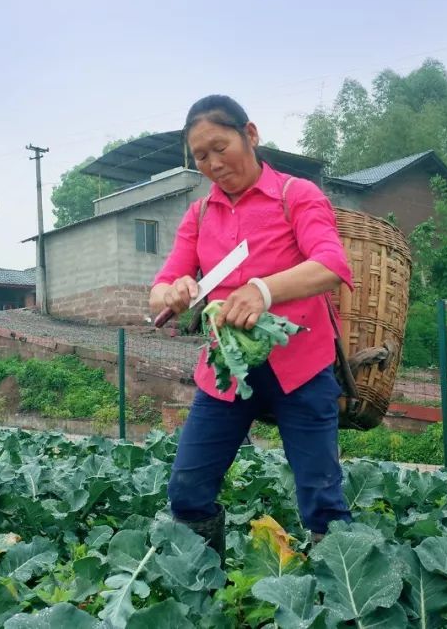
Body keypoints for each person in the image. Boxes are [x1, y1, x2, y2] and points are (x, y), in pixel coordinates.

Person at [149, 94, 354, 559]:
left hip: (301, 370)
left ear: (251, 135)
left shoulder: (294, 195)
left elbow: (330, 265)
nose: (214, 163)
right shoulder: (199, 215)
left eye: (221, 147)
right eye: (201, 156)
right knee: (187, 490)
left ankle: (342, 594)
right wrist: (174, 292)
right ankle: (204, 588)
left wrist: (263, 292)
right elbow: (161, 285)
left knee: (322, 501)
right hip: (226, 374)